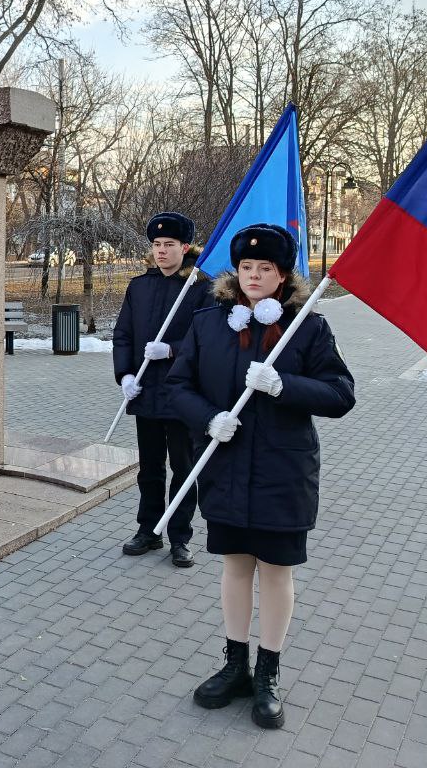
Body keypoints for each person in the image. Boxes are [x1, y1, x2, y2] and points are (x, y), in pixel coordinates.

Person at [166, 223, 355, 729]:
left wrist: (282, 384)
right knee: (235, 566)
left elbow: (341, 394)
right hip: (225, 468)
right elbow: (176, 385)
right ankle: (235, 667)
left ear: (282, 275)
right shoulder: (208, 323)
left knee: (275, 570)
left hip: (283, 472)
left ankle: (268, 672)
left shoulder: (306, 328)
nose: (254, 275)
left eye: (265, 268)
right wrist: (208, 418)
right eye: (247, 267)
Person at [112, 211, 211, 566]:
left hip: (182, 396)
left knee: (183, 469)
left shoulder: (202, 287)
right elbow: (123, 334)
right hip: (146, 393)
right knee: (150, 468)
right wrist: (124, 375)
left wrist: (170, 350)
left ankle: (180, 537)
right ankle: (148, 530)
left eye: (169, 245)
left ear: (185, 247)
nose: (162, 251)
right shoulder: (140, 286)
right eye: (157, 245)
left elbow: (208, 342)